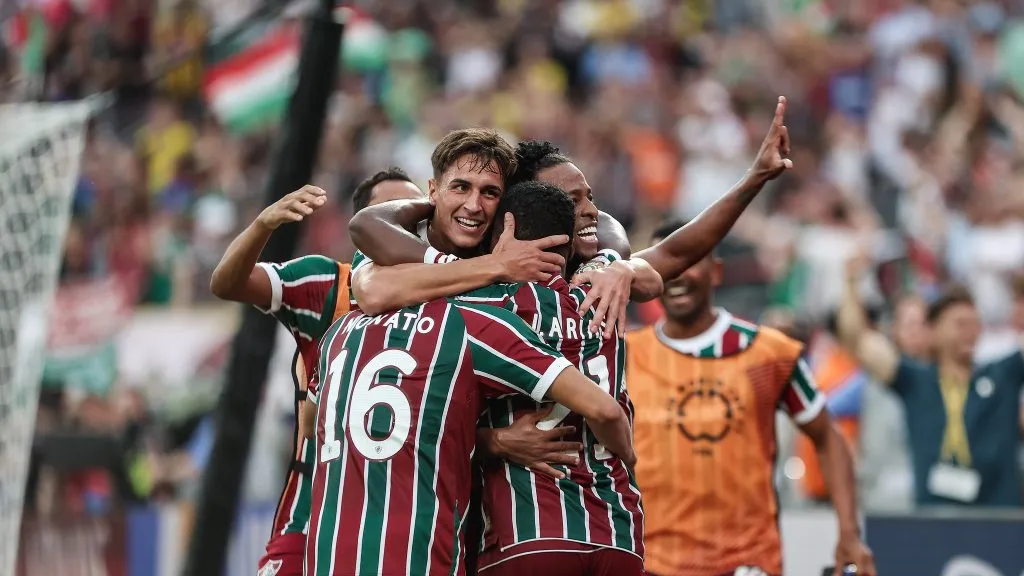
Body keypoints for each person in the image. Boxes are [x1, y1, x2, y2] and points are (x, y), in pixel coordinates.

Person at [304, 277, 635, 576]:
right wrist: (630, 457)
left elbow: (310, 426)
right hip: (421, 553)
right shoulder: (464, 323)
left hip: (327, 554)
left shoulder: (337, 334)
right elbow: (604, 409)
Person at [626, 221, 875, 576]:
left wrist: (849, 532)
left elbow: (828, 437)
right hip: (654, 563)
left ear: (718, 271)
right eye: (664, 264)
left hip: (747, 563)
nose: (676, 275)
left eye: (690, 260)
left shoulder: (768, 353)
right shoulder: (623, 356)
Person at [211, 168, 425, 576]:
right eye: (389, 210)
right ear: (363, 225)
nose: (403, 222)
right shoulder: (328, 284)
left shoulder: (442, 296)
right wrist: (262, 224)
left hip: (404, 524)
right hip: (310, 519)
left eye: (413, 214)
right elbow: (227, 283)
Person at [838, 256, 1024, 507]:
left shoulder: (1002, 374)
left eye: (975, 324)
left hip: (997, 514)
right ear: (933, 330)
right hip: (933, 515)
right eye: (960, 324)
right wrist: (850, 282)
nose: (971, 332)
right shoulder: (916, 379)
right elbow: (857, 340)